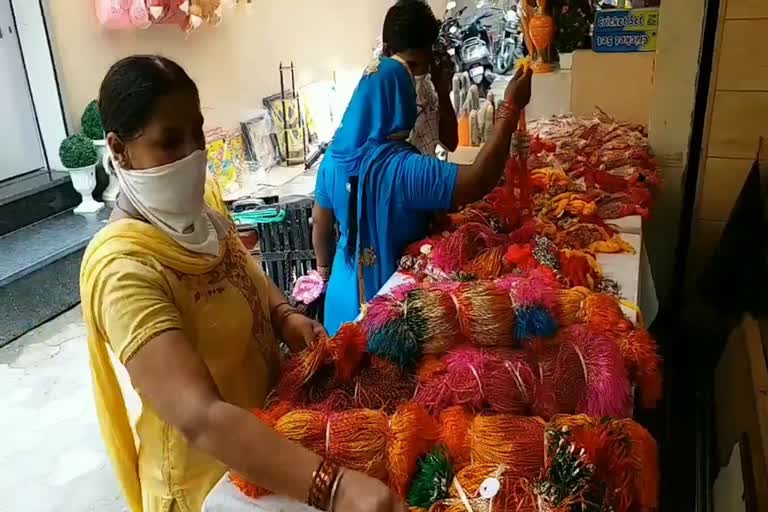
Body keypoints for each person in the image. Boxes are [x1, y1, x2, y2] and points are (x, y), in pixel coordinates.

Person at [80, 55, 406, 512]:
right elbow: (200, 416)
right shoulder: (125, 268)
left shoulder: (206, 216)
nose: (192, 156)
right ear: (118, 149)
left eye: (197, 134)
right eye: (169, 142)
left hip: (274, 449)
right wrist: (333, 487)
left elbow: (252, 281)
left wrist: (287, 318)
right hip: (210, 486)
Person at [312, 56, 532, 336]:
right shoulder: (405, 169)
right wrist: (510, 108)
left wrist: (325, 272)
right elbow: (479, 179)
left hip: (340, 301)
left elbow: (319, 223)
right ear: (403, 102)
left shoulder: (332, 158)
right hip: (391, 309)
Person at [379, 0, 458, 156]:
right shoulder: (374, 93)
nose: (419, 73)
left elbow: (450, 143)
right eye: (412, 65)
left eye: (425, 64)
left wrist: (443, 92)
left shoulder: (427, 84)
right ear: (387, 52)